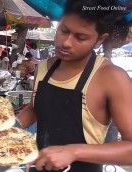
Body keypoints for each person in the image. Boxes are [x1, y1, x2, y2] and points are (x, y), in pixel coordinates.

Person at [17, 0, 132, 171]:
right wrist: (10, 126)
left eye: (80, 37)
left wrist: (74, 152)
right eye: (64, 31)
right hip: (40, 166)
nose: (66, 43)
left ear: (99, 40)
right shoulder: (43, 68)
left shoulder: (112, 78)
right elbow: (34, 109)